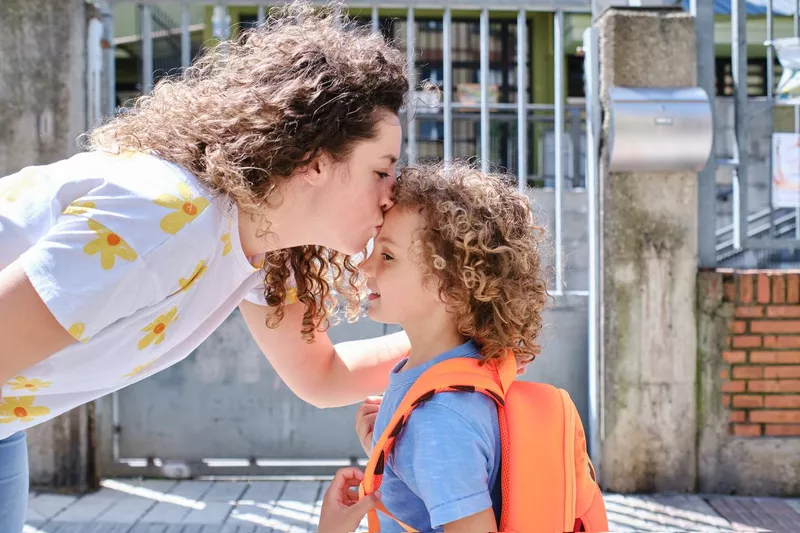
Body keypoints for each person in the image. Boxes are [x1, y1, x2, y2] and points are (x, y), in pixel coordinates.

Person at [0, 3, 412, 530]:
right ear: (315, 161)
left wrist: (464, 335)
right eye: (381, 170)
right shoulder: (168, 217)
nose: (391, 193)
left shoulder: (265, 249)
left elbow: (321, 375)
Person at [351, 163, 549, 532]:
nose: (365, 266)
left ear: (453, 287)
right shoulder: (447, 380)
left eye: (387, 256)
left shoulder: (438, 419)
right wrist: (389, 456)